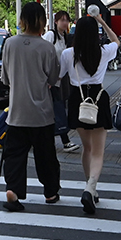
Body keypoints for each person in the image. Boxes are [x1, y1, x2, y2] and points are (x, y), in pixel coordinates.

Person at [0, 1, 61, 212]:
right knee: (46, 157)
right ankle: (51, 192)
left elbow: (5, 79)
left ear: (22, 21)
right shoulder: (47, 47)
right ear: (43, 21)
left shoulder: (10, 44)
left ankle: (14, 191)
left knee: (15, 155)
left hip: (16, 113)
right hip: (42, 113)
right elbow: (54, 78)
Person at [60, 12, 119, 214]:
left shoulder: (68, 53)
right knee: (98, 151)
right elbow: (116, 41)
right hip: (98, 98)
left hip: (78, 99)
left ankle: (89, 186)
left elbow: (59, 76)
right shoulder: (104, 51)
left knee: (86, 148)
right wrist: (102, 21)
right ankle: (90, 187)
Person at [42, 11, 79, 153]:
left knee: (56, 109)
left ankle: (54, 140)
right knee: (57, 109)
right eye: (62, 20)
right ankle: (65, 141)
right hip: (51, 79)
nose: (65, 23)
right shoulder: (51, 35)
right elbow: (44, 54)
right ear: (56, 21)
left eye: (66, 20)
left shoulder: (65, 37)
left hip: (62, 79)